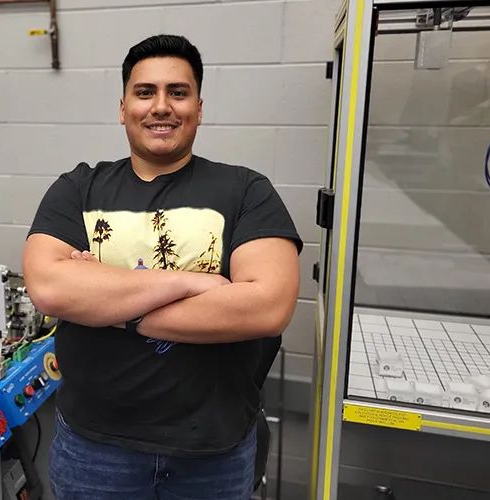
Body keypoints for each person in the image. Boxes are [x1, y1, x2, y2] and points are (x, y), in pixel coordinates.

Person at [22, 34, 303, 500]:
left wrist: (106, 301)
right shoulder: (78, 189)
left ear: (198, 106)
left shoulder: (246, 190)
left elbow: (265, 307)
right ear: (123, 107)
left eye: (178, 92)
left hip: (215, 450)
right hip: (95, 450)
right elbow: (51, 288)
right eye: (145, 92)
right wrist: (191, 283)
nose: (161, 106)